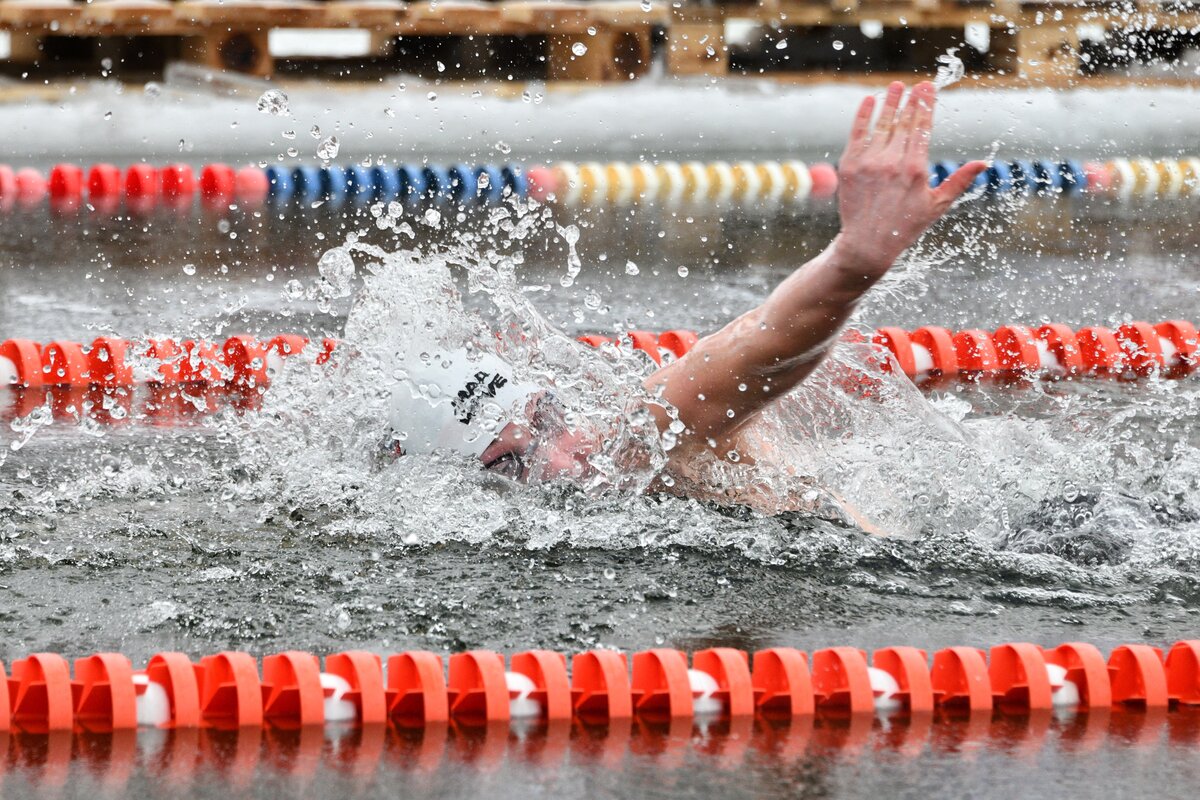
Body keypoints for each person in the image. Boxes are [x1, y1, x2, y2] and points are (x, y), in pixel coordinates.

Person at [389, 81, 987, 502]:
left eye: (548, 417)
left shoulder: (651, 436)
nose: (565, 456)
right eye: (513, 461)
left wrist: (853, 262)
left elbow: (763, 349)